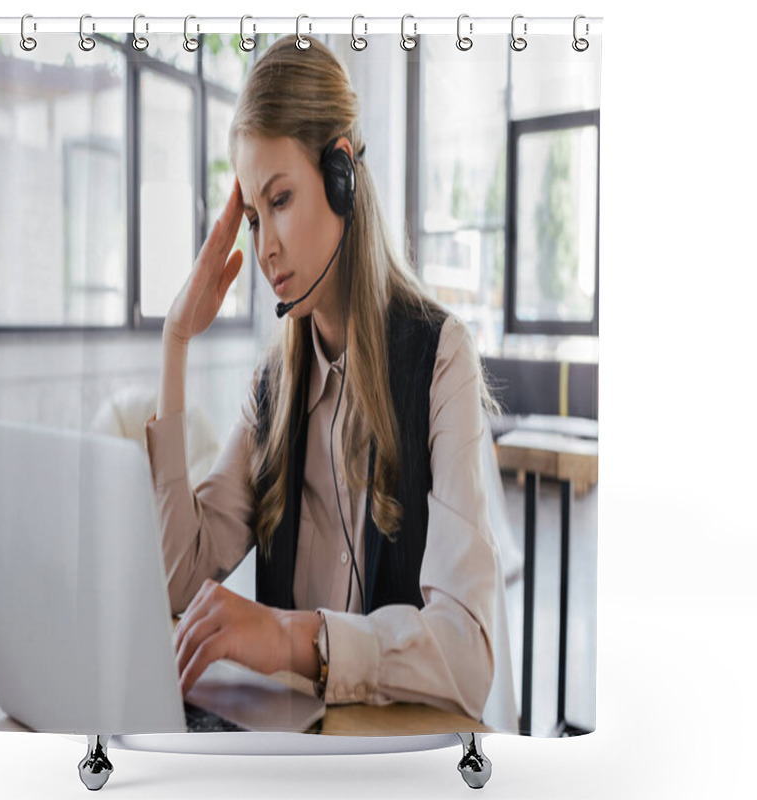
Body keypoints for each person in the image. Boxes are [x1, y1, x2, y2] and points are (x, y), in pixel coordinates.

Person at [145, 35, 501, 723]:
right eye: (252, 218)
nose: (265, 246)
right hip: (288, 752)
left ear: (341, 176)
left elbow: (469, 659)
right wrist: (175, 341)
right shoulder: (272, 390)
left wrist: (290, 637)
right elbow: (176, 578)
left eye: (280, 200)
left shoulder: (440, 359)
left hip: (390, 757)